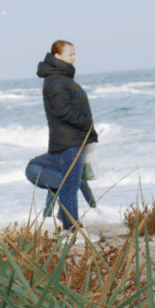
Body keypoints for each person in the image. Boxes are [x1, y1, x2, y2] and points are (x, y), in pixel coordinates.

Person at [36, 40, 99, 231]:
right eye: (70, 54)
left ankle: (65, 222)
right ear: (58, 56)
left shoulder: (61, 77)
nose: (74, 57)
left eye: (74, 54)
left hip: (72, 140)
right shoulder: (56, 80)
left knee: (70, 184)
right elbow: (63, 111)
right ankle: (71, 228)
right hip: (67, 142)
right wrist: (86, 122)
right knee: (70, 186)